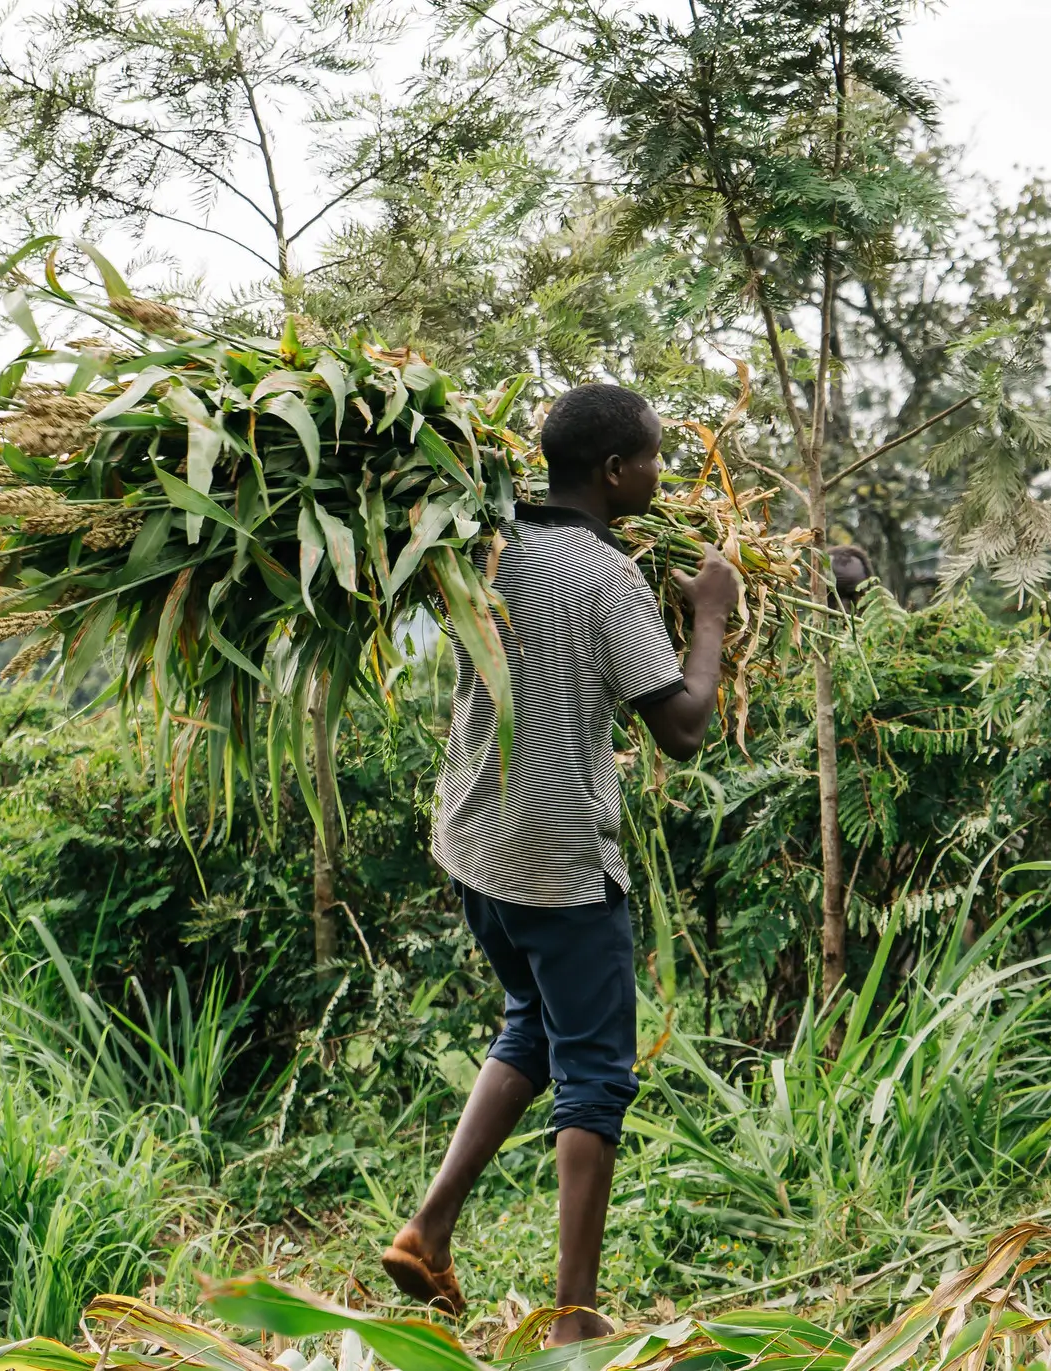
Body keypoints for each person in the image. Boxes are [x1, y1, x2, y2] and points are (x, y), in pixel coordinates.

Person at [382, 383, 740, 1344]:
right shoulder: (605, 576)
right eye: (656, 458)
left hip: (477, 843)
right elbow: (683, 727)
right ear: (617, 472)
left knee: (532, 1027)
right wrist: (709, 614)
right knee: (594, 1074)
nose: (662, 473)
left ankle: (429, 1228)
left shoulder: (489, 542)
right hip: (560, 860)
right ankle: (575, 1319)